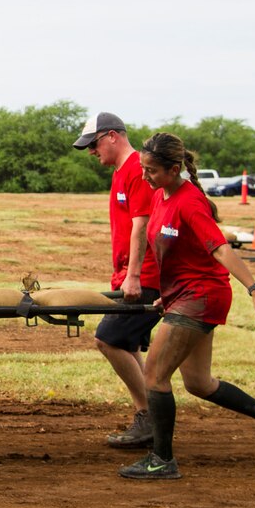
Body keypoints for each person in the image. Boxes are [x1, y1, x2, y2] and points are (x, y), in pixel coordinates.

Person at [120, 132, 255, 480]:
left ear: (174, 169)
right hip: (185, 295)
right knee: (199, 383)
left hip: (201, 297)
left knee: (154, 376)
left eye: (152, 171)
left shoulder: (190, 202)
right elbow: (176, 253)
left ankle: (162, 459)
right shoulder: (161, 195)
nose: (145, 176)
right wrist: (167, 294)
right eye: (143, 169)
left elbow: (220, 249)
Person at [73, 113, 162, 449]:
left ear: (112, 136)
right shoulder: (122, 172)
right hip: (130, 274)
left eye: (93, 144)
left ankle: (149, 416)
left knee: (107, 339)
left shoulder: (138, 170)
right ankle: (151, 414)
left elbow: (143, 224)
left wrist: (134, 275)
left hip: (146, 275)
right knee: (122, 343)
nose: (91, 152)